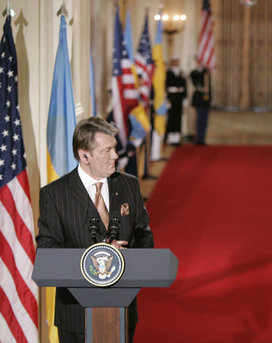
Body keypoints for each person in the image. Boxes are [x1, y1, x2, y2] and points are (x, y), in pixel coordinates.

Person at [36, 116, 154, 342]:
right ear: (84, 155)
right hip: (75, 314)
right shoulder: (55, 194)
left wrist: (128, 256)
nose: (115, 156)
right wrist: (95, 257)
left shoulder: (128, 184)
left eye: (115, 148)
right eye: (106, 150)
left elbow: (144, 233)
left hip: (123, 310)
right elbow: (48, 250)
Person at [165, 55, 188, 146]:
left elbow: (184, 86)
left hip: (179, 97)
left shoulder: (182, 72)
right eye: (174, 61)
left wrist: (185, 98)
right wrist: (166, 99)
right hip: (171, 97)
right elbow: (165, 85)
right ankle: (171, 138)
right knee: (171, 117)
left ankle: (177, 137)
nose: (176, 62)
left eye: (177, 61)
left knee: (178, 117)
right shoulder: (168, 72)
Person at [190, 56, 212, 145]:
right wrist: (200, 70)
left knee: (204, 120)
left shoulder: (206, 72)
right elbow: (194, 79)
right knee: (199, 119)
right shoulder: (194, 73)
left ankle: (202, 138)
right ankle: (198, 138)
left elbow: (209, 86)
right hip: (199, 98)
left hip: (206, 99)